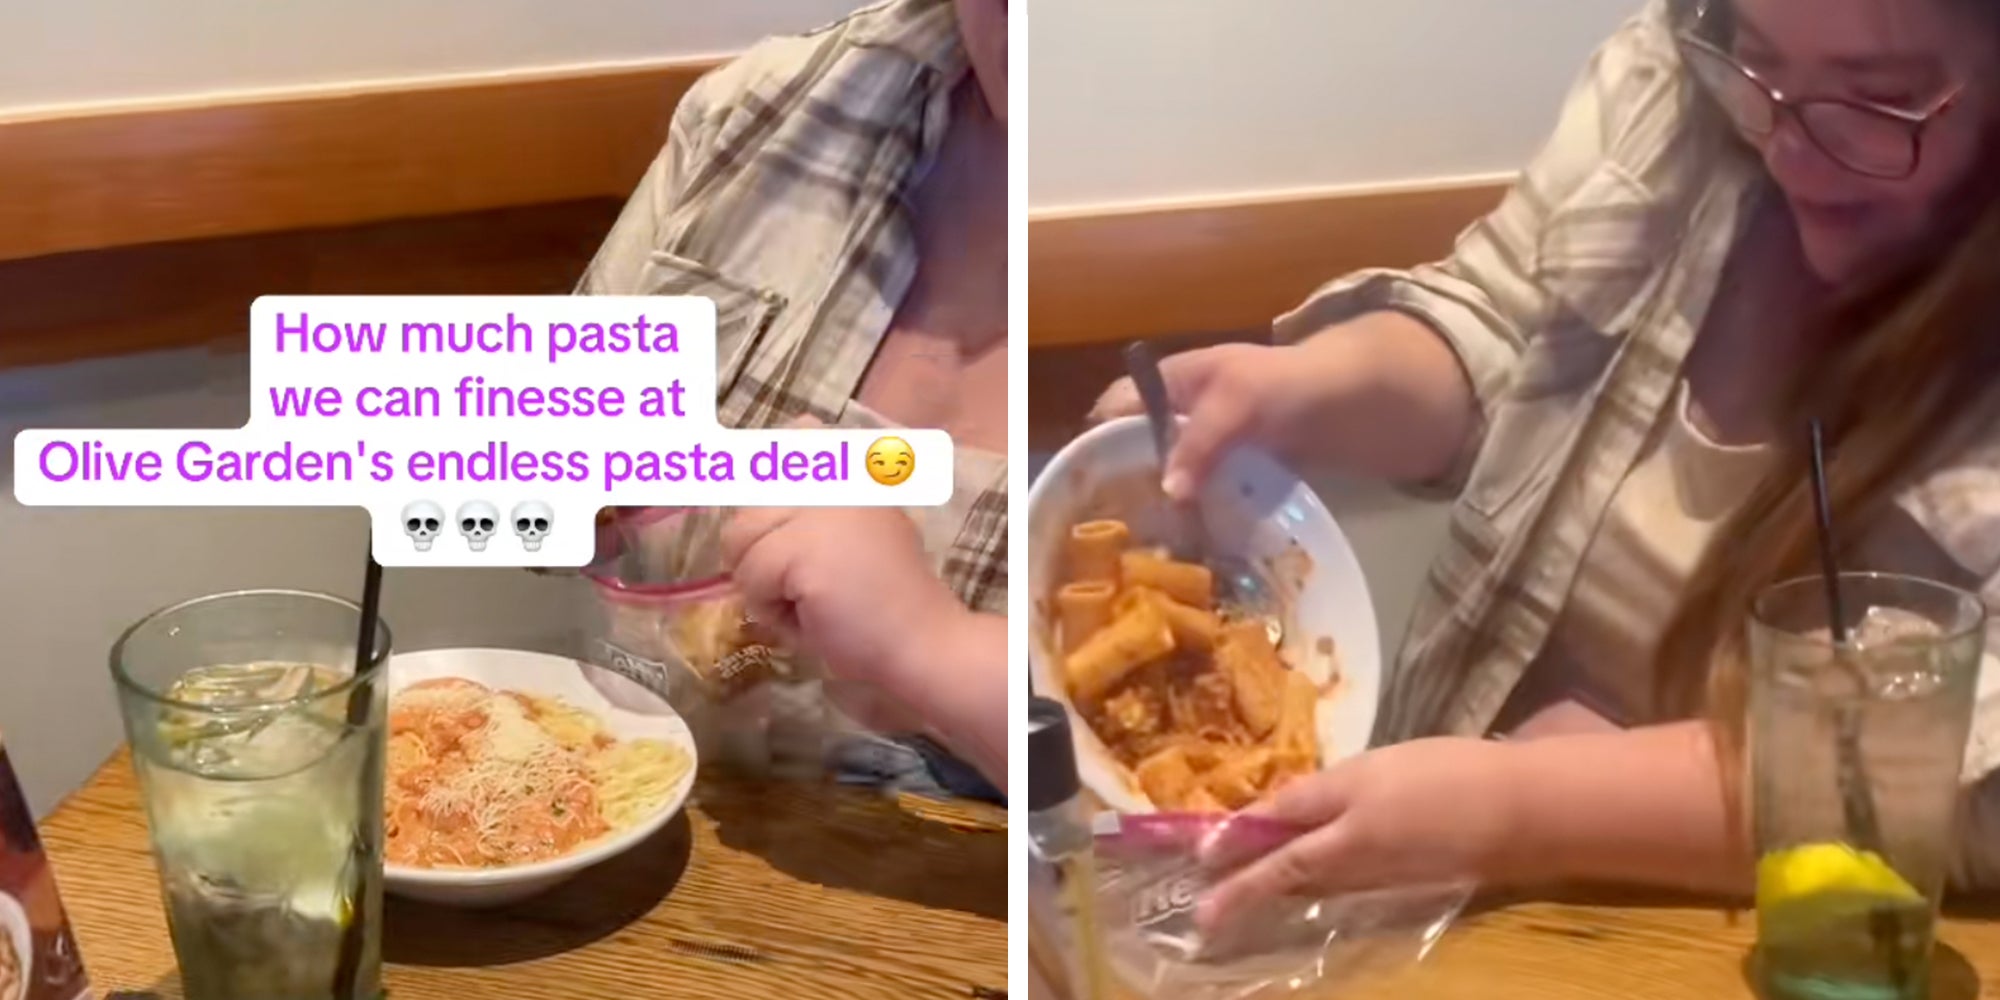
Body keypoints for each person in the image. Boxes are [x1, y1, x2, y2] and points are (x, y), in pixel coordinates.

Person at [1089, 0, 2000, 920]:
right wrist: (1308, 386)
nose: (1791, 147)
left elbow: (1955, 777)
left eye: (1879, 99)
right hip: (1465, 883)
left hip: (1787, 940)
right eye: (1759, 63)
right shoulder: (1677, 69)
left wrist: (1526, 803)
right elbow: (1500, 321)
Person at [577, 0, 1008, 796]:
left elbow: (1221, 804)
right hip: (666, 807)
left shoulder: (1217, 298)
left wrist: (930, 649)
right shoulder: (759, 111)